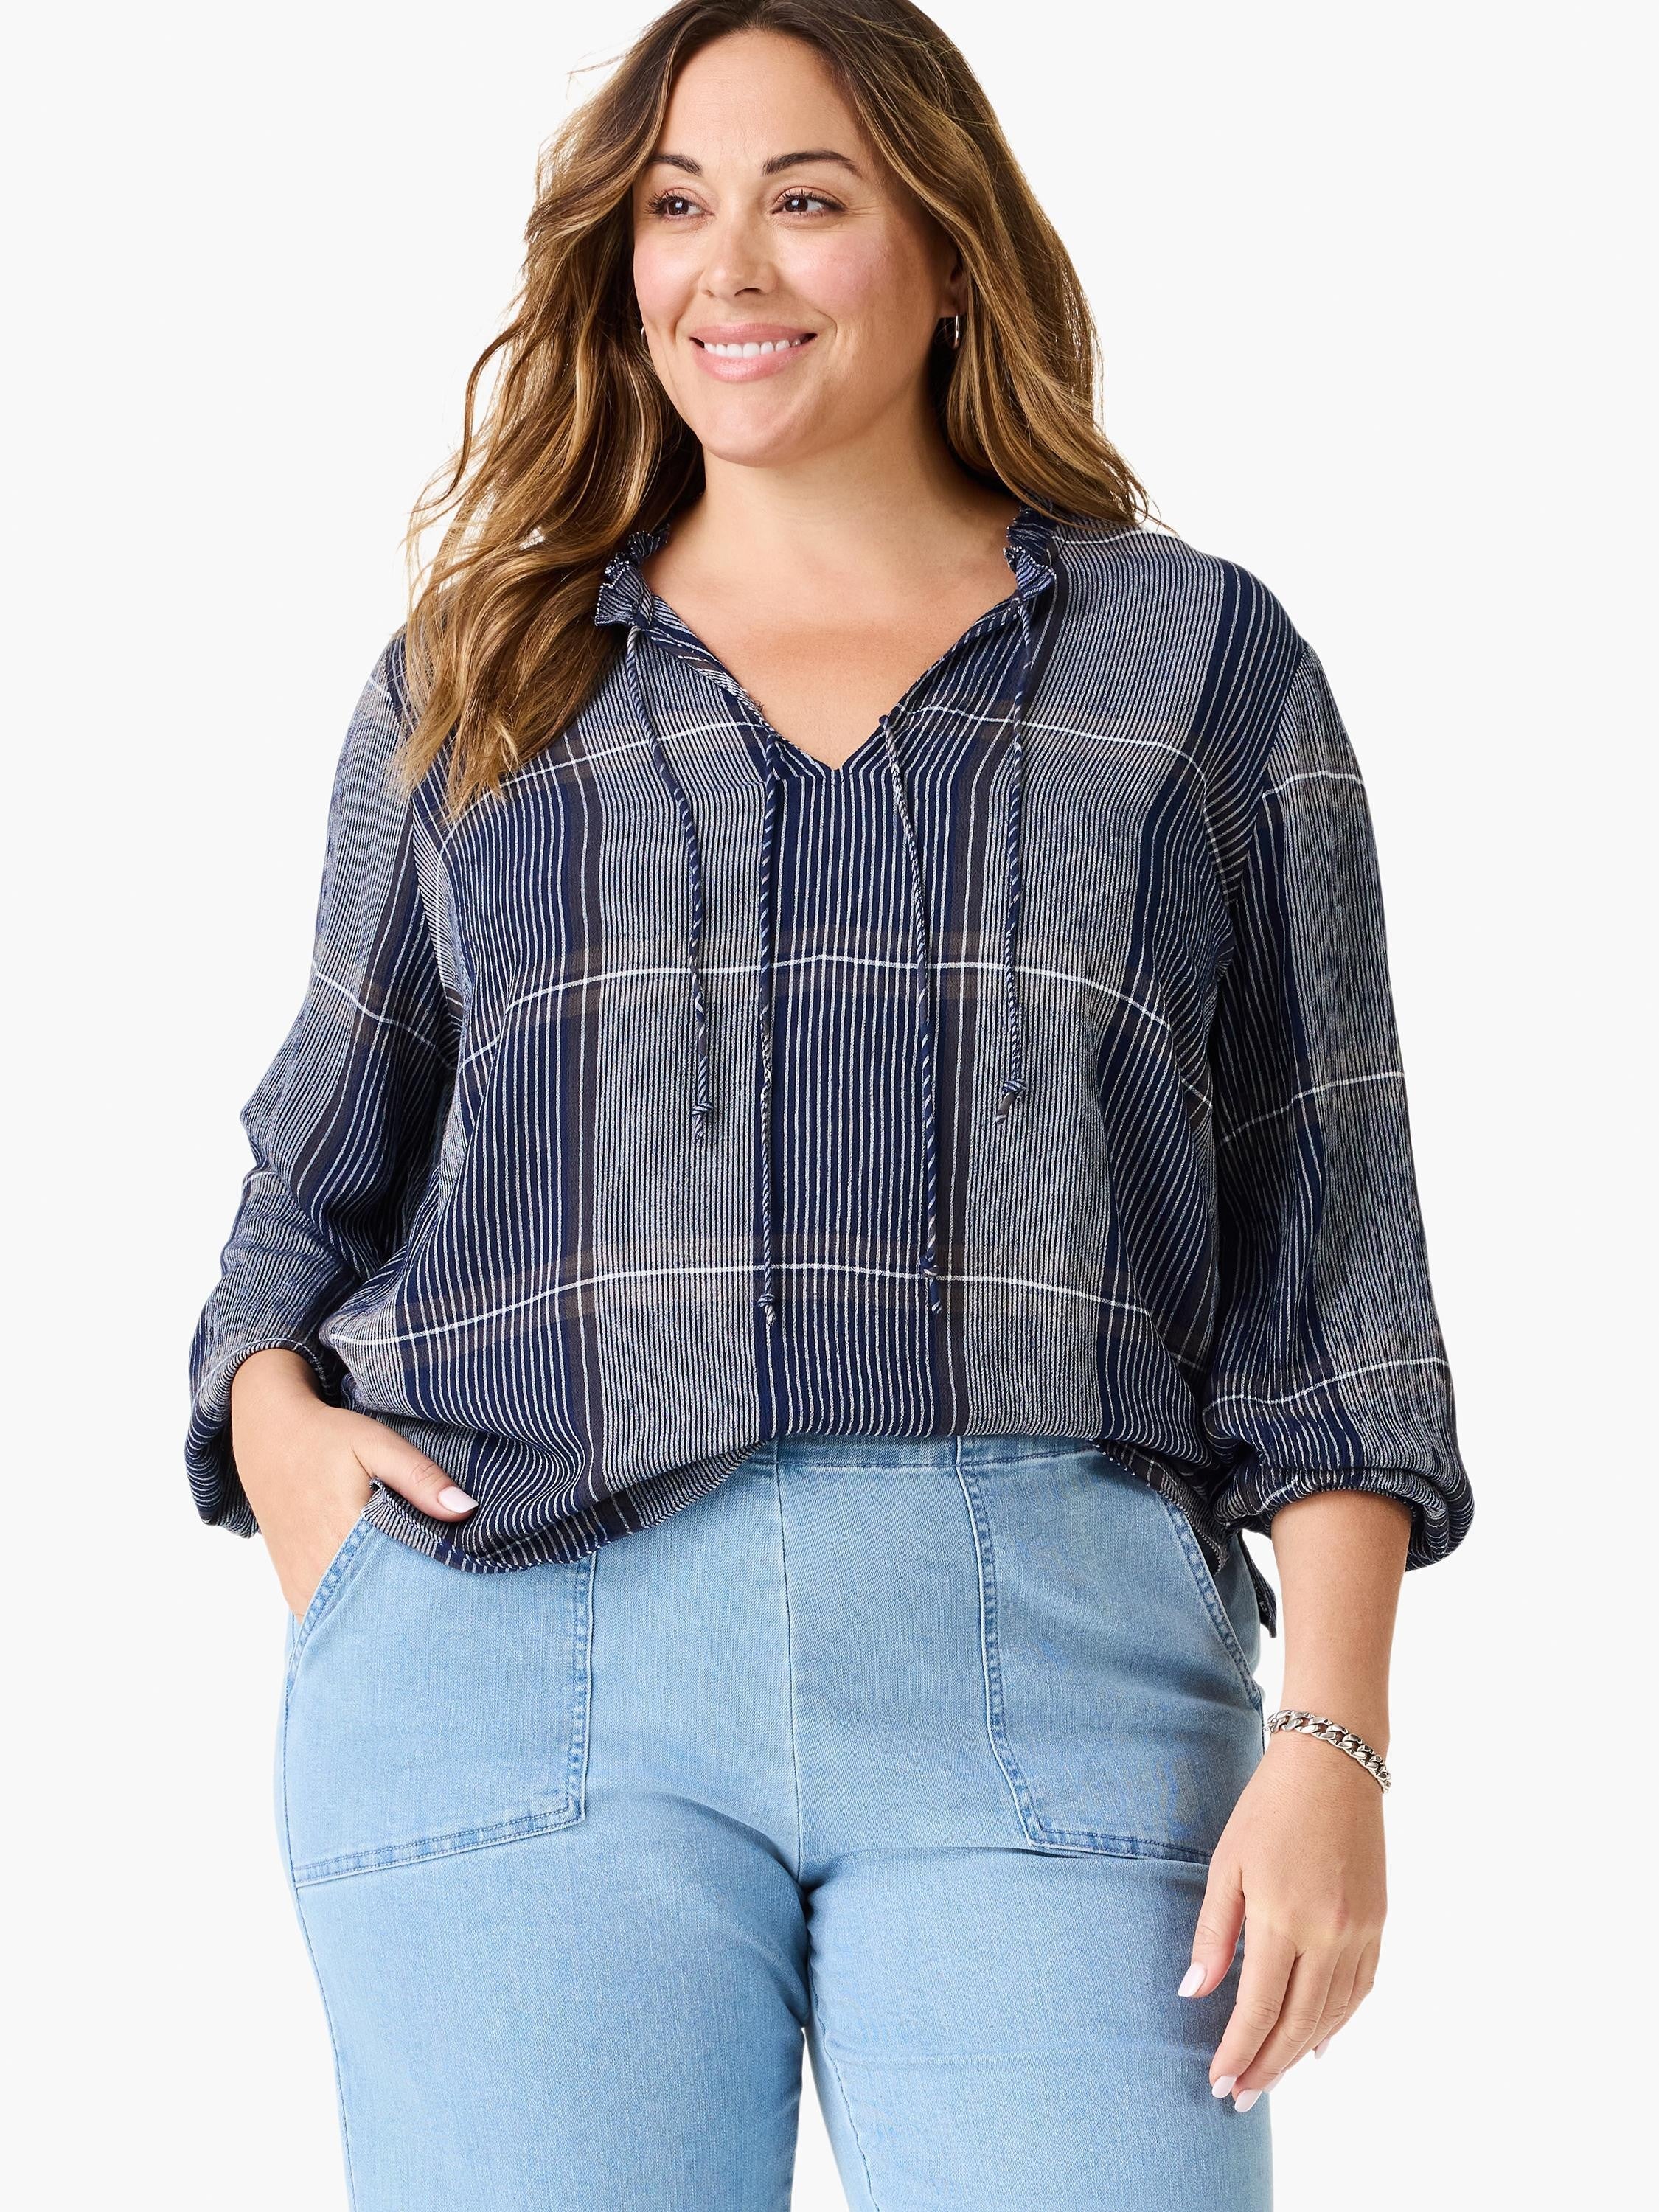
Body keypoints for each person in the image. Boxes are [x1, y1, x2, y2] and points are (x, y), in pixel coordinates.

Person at [184, 4, 1472, 2206]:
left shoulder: (1192, 667)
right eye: (675, 207)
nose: (730, 268)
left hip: (1056, 1663)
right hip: (517, 1643)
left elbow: (1330, 1234)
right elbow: (317, 1159)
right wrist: (275, 1433)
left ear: (947, 248)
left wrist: (1336, 1737)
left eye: (808, 200)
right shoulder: (485, 672)